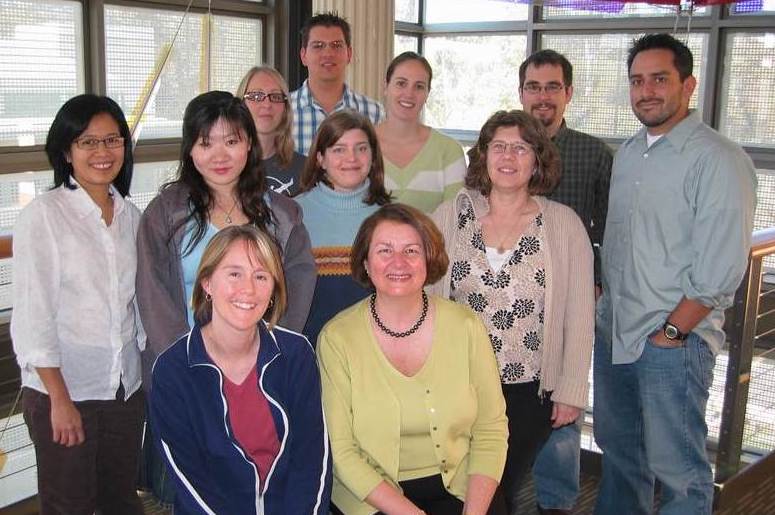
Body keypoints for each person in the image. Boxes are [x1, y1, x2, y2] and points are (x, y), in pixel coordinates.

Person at [593, 34, 756, 515]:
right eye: (637, 80)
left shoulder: (718, 159)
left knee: (679, 473)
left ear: (688, 84)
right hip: (616, 333)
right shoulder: (629, 153)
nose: (646, 91)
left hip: (670, 342)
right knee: (620, 457)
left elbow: (722, 264)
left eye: (659, 79)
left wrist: (671, 331)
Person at [136, 90, 316, 504]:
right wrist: (184, 366)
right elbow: (152, 293)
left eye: (231, 141)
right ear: (191, 150)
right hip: (187, 371)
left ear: (249, 144)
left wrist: (269, 354)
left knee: (263, 479)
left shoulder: (281, 214)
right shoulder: (166, 212)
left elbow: (299, 282)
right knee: (197, 489)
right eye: (206, 142)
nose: (219, 154)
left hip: (260, 373)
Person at [431, 110, 594, 515]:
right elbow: (426, 296)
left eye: (521, 148)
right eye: (498, 146)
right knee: (454, 487)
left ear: (538, 159)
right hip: (457, 386)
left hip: (527, 390)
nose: (508, 156)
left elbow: (579, 314)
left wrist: (572, 389)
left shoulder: (562, 225)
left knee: (494, 489)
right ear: (483, 155)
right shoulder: (450, 216)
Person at [318, 203, 508, 515]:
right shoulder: (337, 338)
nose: (398, 262)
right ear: (365, 263)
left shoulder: (466, 326)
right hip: (372, 497)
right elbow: (341, 451)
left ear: (428, 259)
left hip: (462, 487)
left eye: (411, 251)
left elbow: (491, 429)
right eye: (384, 251)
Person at [12, 94, 145, 514]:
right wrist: (59, 399)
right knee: (68, 504)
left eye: (112, 140)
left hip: (123, 390)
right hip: (66, 390)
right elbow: (34, 315)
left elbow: (136, 307)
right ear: (67, 151)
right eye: (88, 142)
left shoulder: (132, 217)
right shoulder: (44, 216)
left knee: (121, 500)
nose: (103, 152)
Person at [150, 225, 331, 514]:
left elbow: (311, 461)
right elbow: (189, 479)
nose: (248, 289)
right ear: (207, 283)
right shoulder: (173, 370)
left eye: (261, 276)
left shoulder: (295, 354)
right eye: (234, 274)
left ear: (273, 288)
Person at [518, 49, 613, 515]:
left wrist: (596, 282)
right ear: (521, 93)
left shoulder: (594, 154)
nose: (542, 97)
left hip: (568, 299)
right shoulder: (500, 146)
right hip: (509, 301)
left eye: (552, 87)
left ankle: (554, 504)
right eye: (534, 87)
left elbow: (609, 230)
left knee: (563, 403)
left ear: (568, 93)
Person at [295, 109, 391, 345]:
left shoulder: (391, 219)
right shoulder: (293, 215)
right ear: (320, 158)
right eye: (339, 149)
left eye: (361, 148)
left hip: (373, 353)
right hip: (308, 352)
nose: (352, 158)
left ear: (373, 155)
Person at [376, 51, 466, 213]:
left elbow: (455, 221)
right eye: (401, 83)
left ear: (427, 94)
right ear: (385, 87)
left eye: (419, 86)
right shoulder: (361, 146)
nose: (409, 94)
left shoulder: (449, 151)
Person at [291, 11, 384, 155]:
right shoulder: (283, 112)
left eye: (336, 45)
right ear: (303, 56)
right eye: (318, 45)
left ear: (349, 54)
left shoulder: (374, 113)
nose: (328, 53)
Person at [237, 65, 306, 195]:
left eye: (275, 96)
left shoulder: (305, 170)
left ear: (285, 109)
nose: (267, 104)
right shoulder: (224, 168)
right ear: (241, 104)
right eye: (256, 96)